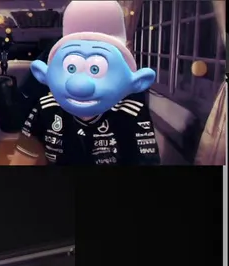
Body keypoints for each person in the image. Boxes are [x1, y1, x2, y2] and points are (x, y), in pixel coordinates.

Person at [9, 0, 160, 166]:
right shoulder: (46, 108)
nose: (80, 85)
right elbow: (21, 161)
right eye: (71, 68)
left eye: (96, 69)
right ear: (43, 74)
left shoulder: (130, 111)